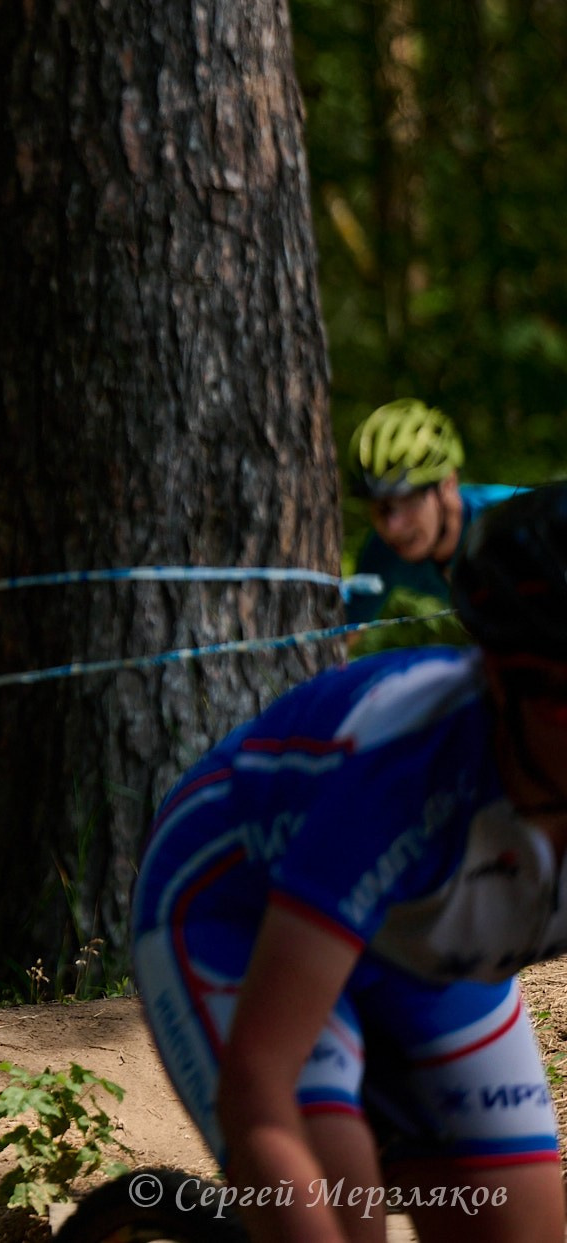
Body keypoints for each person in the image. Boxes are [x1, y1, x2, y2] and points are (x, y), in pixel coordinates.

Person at [131, 484, 567, 1242]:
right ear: (500, 682)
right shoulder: (404, 774)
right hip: (236, 905)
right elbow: (259, 1087)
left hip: (418, 938)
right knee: (339, 1208)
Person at [345, 399, 523, 623]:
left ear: (448, 484)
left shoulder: (514, 519)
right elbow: (343, 630)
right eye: (380, 507)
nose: (393, 526)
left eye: (410, 500)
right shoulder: (384, 552)